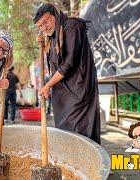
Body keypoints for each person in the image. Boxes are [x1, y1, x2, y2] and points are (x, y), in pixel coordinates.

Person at [33, 3, 101, 144]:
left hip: (78, 93)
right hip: (63, 96)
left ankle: (88, 164)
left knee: (80, 133)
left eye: (45, 21)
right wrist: (44, 47)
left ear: (55, 15)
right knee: (66, 133)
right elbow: (56, 60)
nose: (44, 27)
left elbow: (68, 63)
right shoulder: (52, 37)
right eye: (40, 26)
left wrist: (47, 86)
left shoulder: (71, 26)